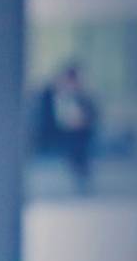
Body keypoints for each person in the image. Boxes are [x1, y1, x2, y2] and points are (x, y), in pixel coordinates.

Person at [33, 63, 98, 195]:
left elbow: (92, 115)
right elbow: (45, 118)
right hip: (56, 132)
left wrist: (82, 121)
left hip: (79, 133)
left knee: (78, 147)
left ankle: (80, 175)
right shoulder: (50, 94)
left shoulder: (83, 96)